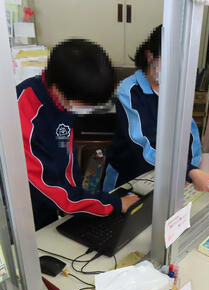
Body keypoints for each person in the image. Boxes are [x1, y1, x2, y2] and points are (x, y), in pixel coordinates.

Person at [17, 39, 139, 230]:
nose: (89, 110)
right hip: (23, 212)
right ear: (58, 90)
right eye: (87, 104)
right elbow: (49, 189)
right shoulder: (22, 116)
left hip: (55, 204)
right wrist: (114, 203)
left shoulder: (62, 98)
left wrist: (83, 197)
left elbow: (66, 155)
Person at [104, 25, 209, 195]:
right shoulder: (129, 91)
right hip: (128, 179)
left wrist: (193, 167)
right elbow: (143, 144)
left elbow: (190, 133)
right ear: (150, 56)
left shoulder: (175, 89)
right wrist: (187, 170)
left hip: (167, 176)